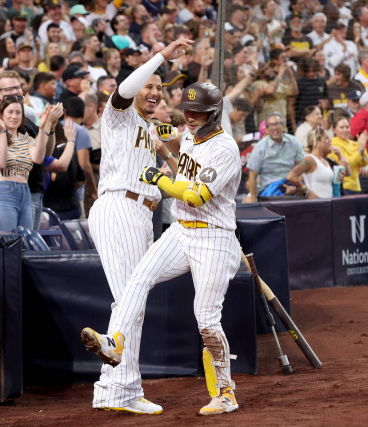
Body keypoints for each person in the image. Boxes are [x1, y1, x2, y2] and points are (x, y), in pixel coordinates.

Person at [82, 80, 243, 416]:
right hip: (181, 230)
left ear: (215, 113)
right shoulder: (186, 134)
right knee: (138, 279)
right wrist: (163, 148)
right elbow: (174, 156)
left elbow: (196, 194)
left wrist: (159, 178)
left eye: (198, 112)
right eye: (187, 110)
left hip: (213, 237)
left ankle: (226, 392)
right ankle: (116, 341)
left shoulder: (225, 148)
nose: (191, 116)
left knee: (206, 320)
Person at [77, 39, 189, 415]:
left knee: (131, 302)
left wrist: (172, 146)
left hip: (143, 212)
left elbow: (173, 161)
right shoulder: (119, 114)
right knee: (130, 298)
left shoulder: (147, 127)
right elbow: (123, 91)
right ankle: (120, 387)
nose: (155, 92)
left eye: (160, 87)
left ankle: (116, 390)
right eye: (151, 85)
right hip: (119, 206)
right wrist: (160, 57)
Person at [0, 96, 62, 231]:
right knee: (6, 245)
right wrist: (2, 131)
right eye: (10, 112)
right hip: (2, 193)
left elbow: (38, 158)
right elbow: (0, 163)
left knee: (25, 245)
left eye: (18, 113)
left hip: (26, 194)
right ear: (0, 115)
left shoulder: (27, 139)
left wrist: (43, 128)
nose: (14, 116)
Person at [244, 112, 305, 202]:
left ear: (283, 126)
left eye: (277, 124)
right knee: (247, 201)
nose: (274, 128)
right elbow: (252, 175)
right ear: (267, 129)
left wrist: (295, 187)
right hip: (267, 191)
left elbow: (302, 170)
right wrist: (253, 198)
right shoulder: (260, 147)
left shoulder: (294, 142)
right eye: (271, 125)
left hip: (291, 187)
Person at [287, 127, 349, 198]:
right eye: (326, 138)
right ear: (317, 142)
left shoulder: (325, 161)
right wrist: (307, 192)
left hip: (328, 205)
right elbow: (291, 176)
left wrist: (339, 177)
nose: (330, 140)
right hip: (315, 205)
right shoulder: (310, 159)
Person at [43, 120, 84, 220]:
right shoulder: (70, 152)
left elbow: (61, 178)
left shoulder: (52, 153)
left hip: (56, 210)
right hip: (73, 206)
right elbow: (81, 179)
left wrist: (43, 169)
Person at [329, 116, 368, 195]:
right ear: (334, 130)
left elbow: (364, 162)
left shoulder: (353, 143)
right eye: (341, 127)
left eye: (347, 127)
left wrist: (363, 149)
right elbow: (347, 164)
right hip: (344, 187)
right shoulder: (333, 144)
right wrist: (360, 149)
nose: (345, 130)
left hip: (356, 186)